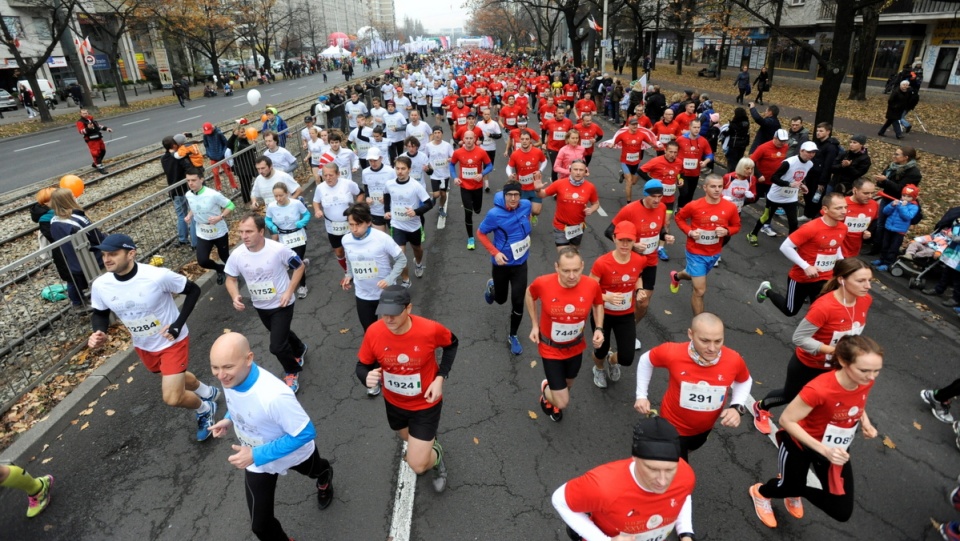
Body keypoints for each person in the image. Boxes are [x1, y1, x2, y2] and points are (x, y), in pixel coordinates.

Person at [87, 233, 217, 440]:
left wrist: (177, 324)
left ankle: (204, 408)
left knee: (172, 397)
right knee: (174, 376)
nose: (107, 259)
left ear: (131, 254)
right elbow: (100, 313)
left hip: (171, 341)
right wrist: (99, 331)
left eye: (113, 254)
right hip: (144, 345)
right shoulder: (101, 284)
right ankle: (207, 391)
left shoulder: (157, 276)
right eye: (103, 255)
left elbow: (193, 290)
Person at [209, 332, 334, 541]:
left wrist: (257, 454)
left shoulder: (275, 396)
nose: (221, 375)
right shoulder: (230, 377)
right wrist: (228, 419)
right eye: (215, 367)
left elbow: (306, 433)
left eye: (227, 367)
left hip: (292, 454)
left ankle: (325, 478)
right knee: (260, 526)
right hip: (257, 461)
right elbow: (238, 402)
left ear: (249, 358)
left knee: (316, 470)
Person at [748, 335, 881, 529]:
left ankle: (794, 489)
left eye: (877, 371)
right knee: (788, 485)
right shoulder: (819, 389)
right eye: (865, 370)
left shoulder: (865, 381)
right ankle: (761, 492)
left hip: (836, 449)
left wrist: (865, 422)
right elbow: (787, 420)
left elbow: (857, 401)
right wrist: (823, 450)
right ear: (843, 361)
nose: (871, 377)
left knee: (841, 511)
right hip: (799, 445)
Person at [752, 258, 873, 435]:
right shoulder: (824, 306)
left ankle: (810, 431)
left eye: (869, 280)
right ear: (842, 280)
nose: (867, 285)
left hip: (836, 366)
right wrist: (834, 351)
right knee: (791, 396)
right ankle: (761, 407)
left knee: (828, 400)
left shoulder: (865, 300)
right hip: (808, 364)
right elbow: (799, 338)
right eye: (861, 281)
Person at [356, 285, 459, 493]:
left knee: (418, 465)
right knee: (406, 437)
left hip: (425, 404)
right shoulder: (374, 332)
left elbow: (452, 344)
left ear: (408, 309)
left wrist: (441, 377)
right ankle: (429, 445)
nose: (388, 319)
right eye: (384, 313)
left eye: (394, 313)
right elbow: (361, 366)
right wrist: (366, 377)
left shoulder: (430, 329)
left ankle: (436, 458)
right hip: (394, 403)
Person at [551, 417, 696, 541]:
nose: (663, 481)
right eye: (652, 469)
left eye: (670, 470)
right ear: (634, 458)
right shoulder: (604, 486)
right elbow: (559, 500)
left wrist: (686, 532)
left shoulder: (686, 475)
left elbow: (683, 495)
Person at [634, 313, 752, 458]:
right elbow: (646, 361)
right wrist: (641, 395)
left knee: (690, 448)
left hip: (704, 429)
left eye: (718, 341)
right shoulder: (672, 352)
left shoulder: (733, 359)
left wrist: (737, 407)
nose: (712, 348)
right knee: (677, 471)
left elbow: (744, 380)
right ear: (691, 334)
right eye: (705, 341)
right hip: (672, 427)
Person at [224, 214, 308, 392]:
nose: (244, 236)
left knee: (276, 346)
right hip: (260, 305)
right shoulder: (237, 254)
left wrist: (289, 291)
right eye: (241, 232)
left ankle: (292, 371)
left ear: (261, 231)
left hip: (282, 303)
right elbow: (230, 279)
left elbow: (299, 266)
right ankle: (300, 348)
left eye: (249, 231)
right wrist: (235, 296)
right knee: (280, 333)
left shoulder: (278, 249)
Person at [525, 247, 605, 422]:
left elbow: (598, 304)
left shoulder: (591, 285)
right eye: (566, 270)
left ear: (582, 266)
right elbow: (530, 294)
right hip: (550, 348)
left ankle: (554, 391)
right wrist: (534, 325)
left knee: (568, 384)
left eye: (576, 270)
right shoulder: (543, 283)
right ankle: (547, 393)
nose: (571, 276)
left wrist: (599, 328)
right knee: (563, 401)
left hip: (576, 347)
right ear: (556, 268)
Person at [756, 192, 849, 317]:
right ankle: (766, 291)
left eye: (845, 207)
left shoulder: (843, 228)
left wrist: (842, 263)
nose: (844, 211)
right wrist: (806, 266)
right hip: (802, 278)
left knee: (821, 311)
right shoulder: (811, 228)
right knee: (790, 311)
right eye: (838, 208)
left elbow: (835, 246)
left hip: (826, 277)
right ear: (825, 209)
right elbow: (785, 247)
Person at [607, 180, 675, 342]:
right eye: (653, 196)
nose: (657, 200)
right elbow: (609, 231)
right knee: (622, 299)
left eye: (660, 196)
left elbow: (659, 229)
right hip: (629, 261)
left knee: (643, 303)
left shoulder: (662, 208)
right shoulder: (630, 210)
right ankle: (607, 323)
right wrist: (632, 246)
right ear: (646, 194)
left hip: (650, 262)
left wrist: (665, 236)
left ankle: (629, 329)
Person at [587, 222, 647, 389]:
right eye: (622, 240)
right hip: (603, 314)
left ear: (635, 241)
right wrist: (607, 296)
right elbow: (589, 289)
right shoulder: (602, 263)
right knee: (600, 350)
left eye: (629, 240)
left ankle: (612, 361)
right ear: (614, 238)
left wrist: (639, 289)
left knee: (627, 358)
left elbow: (638, 277)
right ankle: (598, 368)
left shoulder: (639, 260)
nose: (625, 244)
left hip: (626, 314)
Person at [670, 174, 741, 315]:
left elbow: (736, 226)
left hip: (714, 252)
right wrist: (690, 232)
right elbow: (679, 218)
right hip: (695, 252)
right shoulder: (694, 206)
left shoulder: (730, 207)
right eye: (713, 186)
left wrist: (726, 231)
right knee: (700, 290)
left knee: (693, 274)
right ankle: (699, 325)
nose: (717, 190)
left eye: (720, 186)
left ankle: (676, 276)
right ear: (705, 187)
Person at [478, 182, 533, 355]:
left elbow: (528, 217)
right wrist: (495, 253)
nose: (513, 198)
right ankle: (492, 286)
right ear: (504, 195)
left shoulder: (526, 205)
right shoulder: (494, 214)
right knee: (500, 300)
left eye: (517, 195)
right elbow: (481, 233)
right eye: (510, 195)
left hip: (521, 264)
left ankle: (513, 335)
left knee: (518, 302)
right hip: (502, 265)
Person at [341, 202, 407, 341]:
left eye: (358, 224)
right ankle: (378, 360)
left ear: (368, 222)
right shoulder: (346, 240)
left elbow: (402, 260)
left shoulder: (382, 238)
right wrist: (349, 275)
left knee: (392, 330)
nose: (354, 229)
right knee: (370, 332)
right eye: (351, 224)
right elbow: (349, 260)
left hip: (386, 293)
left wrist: (389, 279)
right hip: (363, 294)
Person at [747, 141, 817, 244]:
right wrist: (789, 184)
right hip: (775, 196)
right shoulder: (789, 162)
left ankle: (791, 243)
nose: (811, 155)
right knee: (766, 217)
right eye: (809, 152)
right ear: (801, 151)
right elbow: (774, 178)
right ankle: (753, 234)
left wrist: (802, 185)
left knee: (793, 222)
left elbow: (799, 177)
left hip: (791, 197)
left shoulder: (810, 164)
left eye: (813, 152)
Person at [48, 188, 105, 310]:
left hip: (73, 261)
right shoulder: (77, 219)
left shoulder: (53, 221)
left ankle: (83, 303)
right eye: (73, 196)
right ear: (68, 200)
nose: (76, 197)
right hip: (93, 259)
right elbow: (97, 237)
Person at [384, 156, 434, 286]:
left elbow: (429, 204)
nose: (399, 171)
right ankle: (405, 279)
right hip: (397, 224)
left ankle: (418, 263)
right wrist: (387, 211)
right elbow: (387, 196)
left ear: (409, 170)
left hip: (413, 226)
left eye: (403, 169)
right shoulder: (389, 184)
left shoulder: (415, 186)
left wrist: (416, 212)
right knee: (400, 255)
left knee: (417, 249)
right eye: (397, 168)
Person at [184, 167, 234, 286]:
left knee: (225, 256)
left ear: (201, 179)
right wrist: (189, 215)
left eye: (193, 180)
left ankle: (235, 275)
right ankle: (219, 269)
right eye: (188, 181)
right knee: (202, 261)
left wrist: (220, 217)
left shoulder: (213, 194)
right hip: (202, 232)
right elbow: (194, 206)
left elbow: (230, 205)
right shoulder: (188, 195)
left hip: (218, 231)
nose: (190, 183)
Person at [537, 159, 600, 251]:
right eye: (575, 169)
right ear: (570, 170)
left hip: (578, 227)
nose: (578, 172)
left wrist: (592, 209)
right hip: (560, 225)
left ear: (585, 171)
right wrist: (538, 190)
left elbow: (596, 204)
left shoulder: (590, 187)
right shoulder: (559, 183)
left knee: (574, 252)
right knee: (564, 254)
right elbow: (542, 194)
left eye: (581, 170)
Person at [871, 145, 921, 255]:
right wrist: (881, 180)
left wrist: (887, 181)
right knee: (881, 223)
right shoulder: (892, 166)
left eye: (897, 154)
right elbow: (883, 182)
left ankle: (888, 251)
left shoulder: (914, 173)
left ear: (906, 157)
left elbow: (901, 189)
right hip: (887, 198)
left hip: (901, 202)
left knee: (893, 228)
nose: (894, 156)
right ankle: (876, 247)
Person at [313, 162, 363, 274]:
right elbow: (316, 201)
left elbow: (360, 193)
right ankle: (348, 273)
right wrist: (317, 210)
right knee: (339, 252)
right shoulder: (320, 188)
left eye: (331, 175)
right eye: (325, 175)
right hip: (332, 226)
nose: (328, 178)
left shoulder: (347, 184)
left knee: (353, 250)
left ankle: (359, 270)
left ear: (338, 174)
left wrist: (356, 208)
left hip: (350, 225)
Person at [265, 182, 311, 298]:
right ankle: (303, 265)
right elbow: (267, 219)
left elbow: (307, 214)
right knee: (289, 263)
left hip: (298, 236)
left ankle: (302, 286)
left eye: (281, 195)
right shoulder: (271, 206)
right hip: (284, 237)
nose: (278, 198)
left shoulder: (296, 203)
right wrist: (272, 226)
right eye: (276, 196)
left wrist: (302, 222)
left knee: (297, 262)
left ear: (287, 193)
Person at [450, 130, 493, 250]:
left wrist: (482, 174)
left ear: (474, 139)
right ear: (463, 139)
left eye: (471, 138)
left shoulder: (481, 152)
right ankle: (470, 238)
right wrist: (455, 177)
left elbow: (490, 166)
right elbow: (452, 165)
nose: (468, 141)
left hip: (477, 187)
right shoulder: (458, 152)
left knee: (477, 210)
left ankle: (476, 207)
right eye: (466, 138)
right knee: (468, 212)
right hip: (464, 187)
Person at [872, 183, 920, 271]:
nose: (905, 198)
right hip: (888, 227)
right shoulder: (897, 202)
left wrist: (902, 207)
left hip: (899, 231)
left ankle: (888, 263)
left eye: (908, 197)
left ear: (914, 198)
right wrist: (891, 205)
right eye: (903, 195)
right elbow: (885, 211)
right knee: (885, 245)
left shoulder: (914, 207)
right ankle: (881, 259)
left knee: (893, 248)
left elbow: (907, 217)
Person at [506, 128, 548, 225]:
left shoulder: (537, 152)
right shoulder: (515, 154)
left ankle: (532, 215)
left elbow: (544, 161)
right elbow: (509, 166)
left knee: (536, 211)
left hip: (535, 187)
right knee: (521, 212)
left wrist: (540, 170)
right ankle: (524, 226)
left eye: (527, 139)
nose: (524, 141)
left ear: (530, 140)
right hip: (522, 188)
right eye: (522, 139)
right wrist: (510, 174)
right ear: (519, 140)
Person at [613, 116, 659, 202]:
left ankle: (622, 175)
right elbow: (613, 142)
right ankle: (628, 202)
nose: (635, 126)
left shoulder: (642, 134)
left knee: (633, 182)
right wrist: (611, 145)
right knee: (629, 182)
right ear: (628, 125)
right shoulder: (622, 135)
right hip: (625, 162)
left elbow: (650, 143)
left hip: (636, 162)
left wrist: (657, 146)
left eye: (636, 124)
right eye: (633, 124)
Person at [160, 136, 196, 247]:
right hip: (187, 188)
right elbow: (189, 167)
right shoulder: (180, 157)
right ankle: (195, 242)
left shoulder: (164, 158)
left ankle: (182, 239)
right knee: (193, 214)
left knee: (181, 215)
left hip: (174, 190)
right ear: (174, 145)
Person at [675, 119, 714, 209]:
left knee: (690, 194)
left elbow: (710, 155)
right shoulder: (681, 139)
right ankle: (680, 208)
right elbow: (674, 150)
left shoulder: (703, 141)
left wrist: (705, 162)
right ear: (690, 127)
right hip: (682, 172)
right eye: (694, 127)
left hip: (695, 173)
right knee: (684, 192)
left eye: (698, 127)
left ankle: (686, 209)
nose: (697, 129)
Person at [425, 126, 454, 222]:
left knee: (443, 194)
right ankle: (433, 198)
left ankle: (441, 207)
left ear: (442, 134)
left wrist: (449, 159)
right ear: (433, 134)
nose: (437, 135)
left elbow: (453, 156)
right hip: (434, 174)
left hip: (445, 174)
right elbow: (425, 158)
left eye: (439, 133)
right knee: (437, 194)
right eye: (435, 133)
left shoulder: (447, 145)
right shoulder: (428, 146)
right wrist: (428, 165)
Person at [227, 119, 258, 204]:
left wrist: (254, 145)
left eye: (244, 132)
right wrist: (234, 135)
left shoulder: (245, 140)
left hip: (249, 166)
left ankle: (250, 199)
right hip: (242, 168)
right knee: (245, 186)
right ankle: (247, 201)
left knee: (249, 184)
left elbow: (250, 150)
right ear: (237, 134)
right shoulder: (235, 143)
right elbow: (228, 144)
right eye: (242, 132)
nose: (244, 133)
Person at [201, 122, 238, 192]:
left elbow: (225, 143)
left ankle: (234, 186)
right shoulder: (205, 136)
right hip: (213, 157)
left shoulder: (219, 134)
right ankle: (218, 188)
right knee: (215, 174)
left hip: (222, 157)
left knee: (228, 172)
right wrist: (209, 153)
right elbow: (206, 145)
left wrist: (223, 153)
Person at [77, 108, 112, 174]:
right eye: (83, 113)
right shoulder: (80, 122)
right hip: (91, 140)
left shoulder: (91, 119)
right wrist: (88, 128)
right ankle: (100, 167)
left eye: (86, 113)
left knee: (103, 151)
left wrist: (106, 128)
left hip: (98, 138)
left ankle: (96, 164)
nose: (85, 114)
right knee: (96, 154)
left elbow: (98, 126)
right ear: (81, 114)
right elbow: (81, 131)